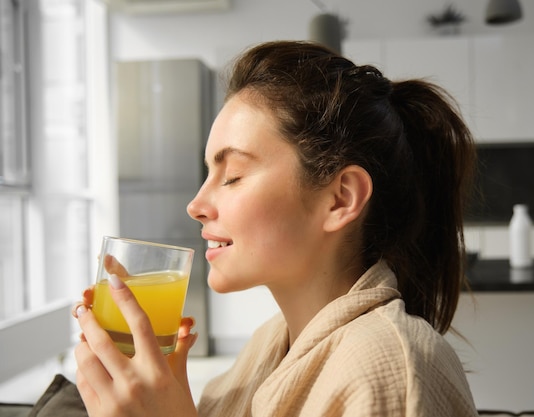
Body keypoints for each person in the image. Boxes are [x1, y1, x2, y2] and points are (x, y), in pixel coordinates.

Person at [72, 40, 478, 417]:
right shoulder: (273, 343)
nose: (195, 206)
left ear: (340, 199)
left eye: (232, 175)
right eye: (208, 173)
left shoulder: (387, 369)